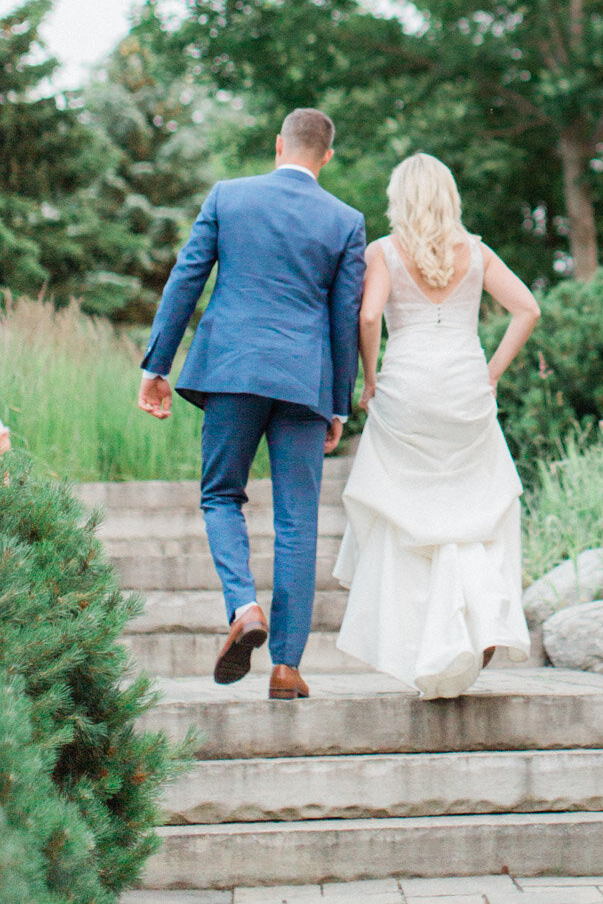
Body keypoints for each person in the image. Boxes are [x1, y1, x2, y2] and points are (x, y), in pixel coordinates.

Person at [138, 108, 365, 700]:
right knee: (299, 520)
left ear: (277, 146)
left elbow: (186, 279)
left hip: (232, 369)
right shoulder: (345, 221)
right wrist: (338, 404)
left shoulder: (228, 197)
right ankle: (286, 667)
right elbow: (345, 319)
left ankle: (243, 606)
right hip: (303, 382)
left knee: (220, 495)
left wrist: (157, 365)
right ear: (327, 157)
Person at [335, 152, 540, 699]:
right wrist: (491, 373)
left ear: (400, 198)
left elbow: (368, 316)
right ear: (450, 196)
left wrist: (370, 377)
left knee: (409, 517)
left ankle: (420, 641)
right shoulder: (476, 252)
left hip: (407, 391)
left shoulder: (383, 250)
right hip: (465, 390)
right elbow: (528, 310)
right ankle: (479, 623)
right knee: (472, 511)